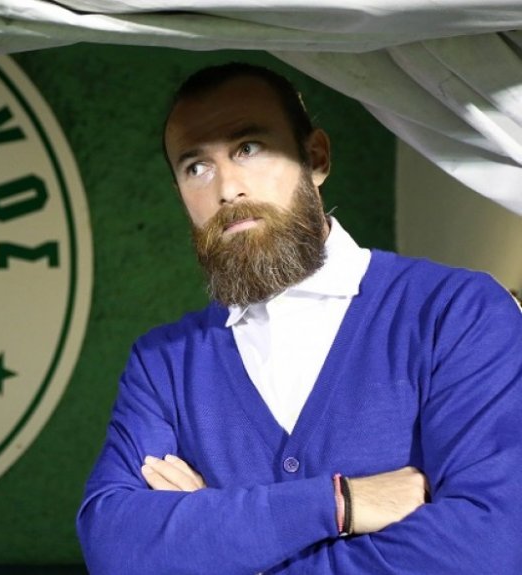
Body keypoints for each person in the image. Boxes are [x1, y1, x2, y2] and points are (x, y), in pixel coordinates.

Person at [76, 63, 522, 574]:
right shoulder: (163, 365)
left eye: (249, 148)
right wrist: (339, 503)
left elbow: (487, 549)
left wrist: (222, 542)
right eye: (196, 167)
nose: (227, 189)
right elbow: (114, 547)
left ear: (316, 158)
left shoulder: (456, 312)